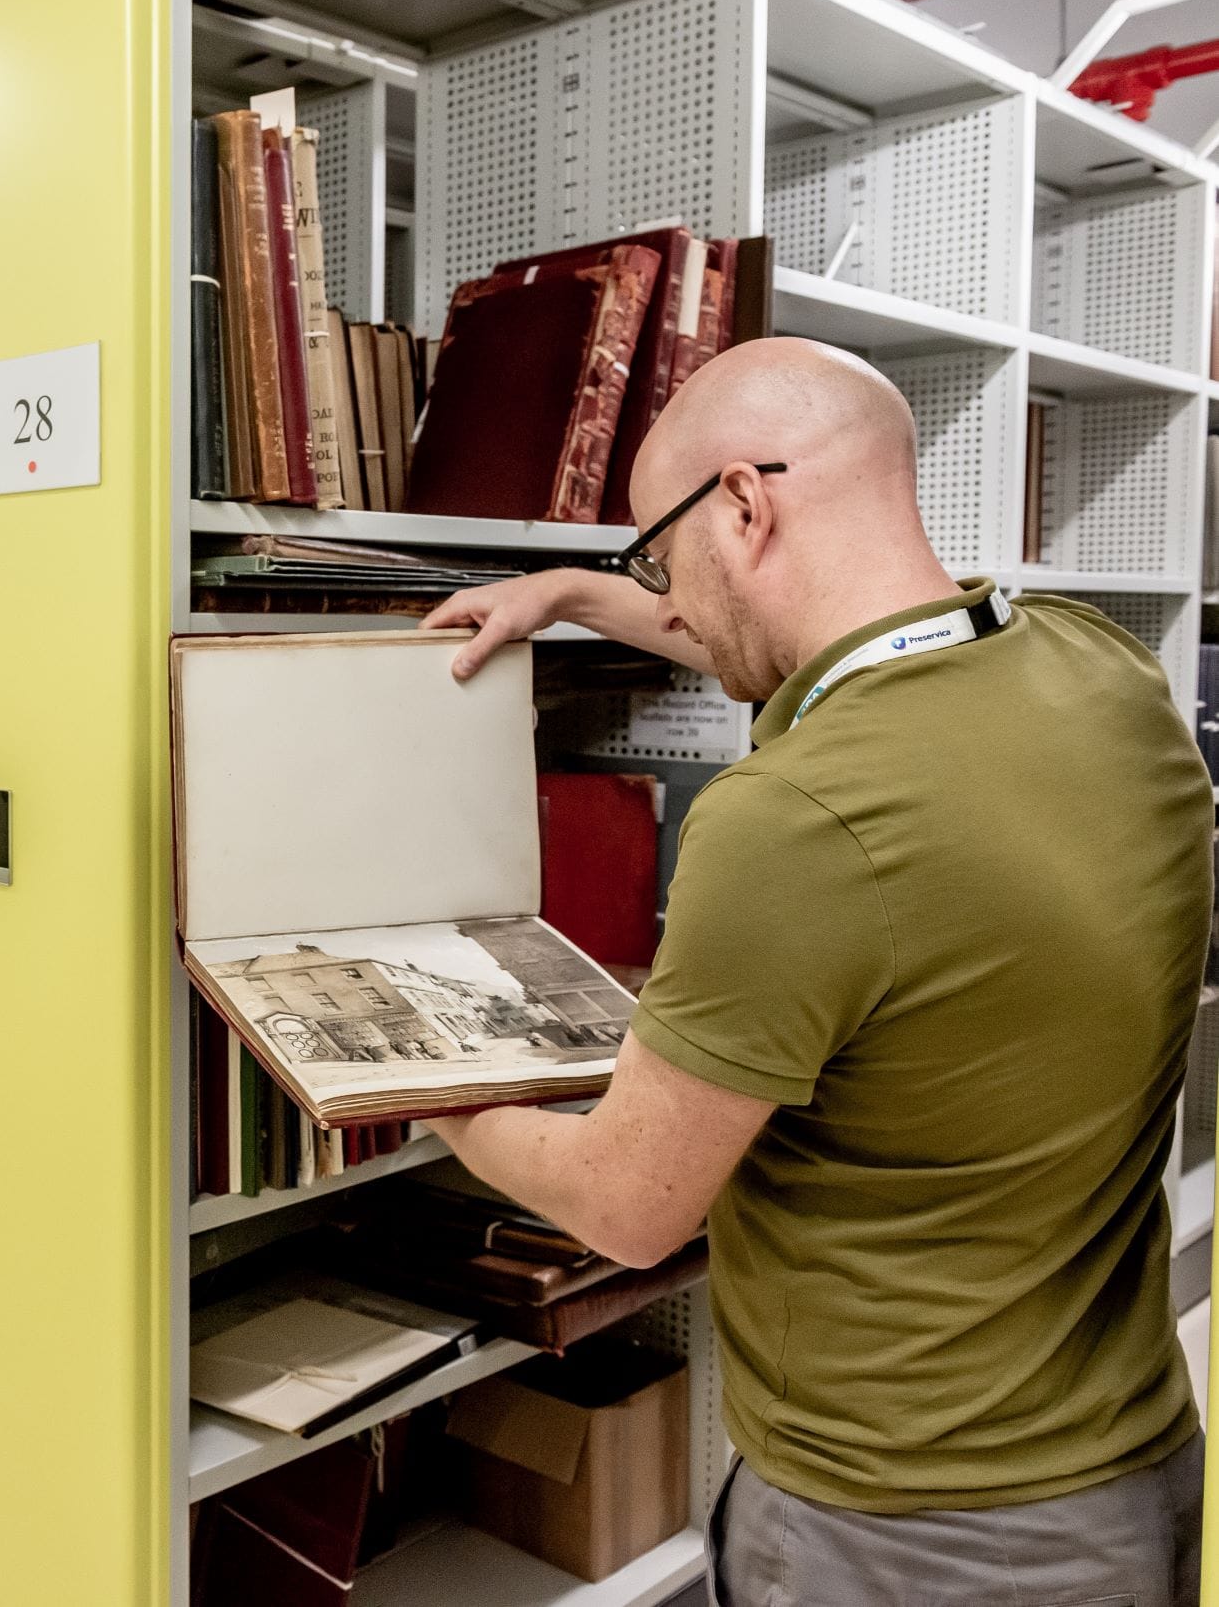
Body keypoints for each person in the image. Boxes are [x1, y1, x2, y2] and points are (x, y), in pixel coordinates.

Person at [419, 337, 1212, 1606]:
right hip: (1123, 1463)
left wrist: (425, 1084)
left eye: (658, 559)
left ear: (743, 502)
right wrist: (572, 592)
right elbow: (818, 651)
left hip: (906, 1529)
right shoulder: (1095, 666)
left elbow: (629, 1207)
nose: (665, 602)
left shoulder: (794, 822)